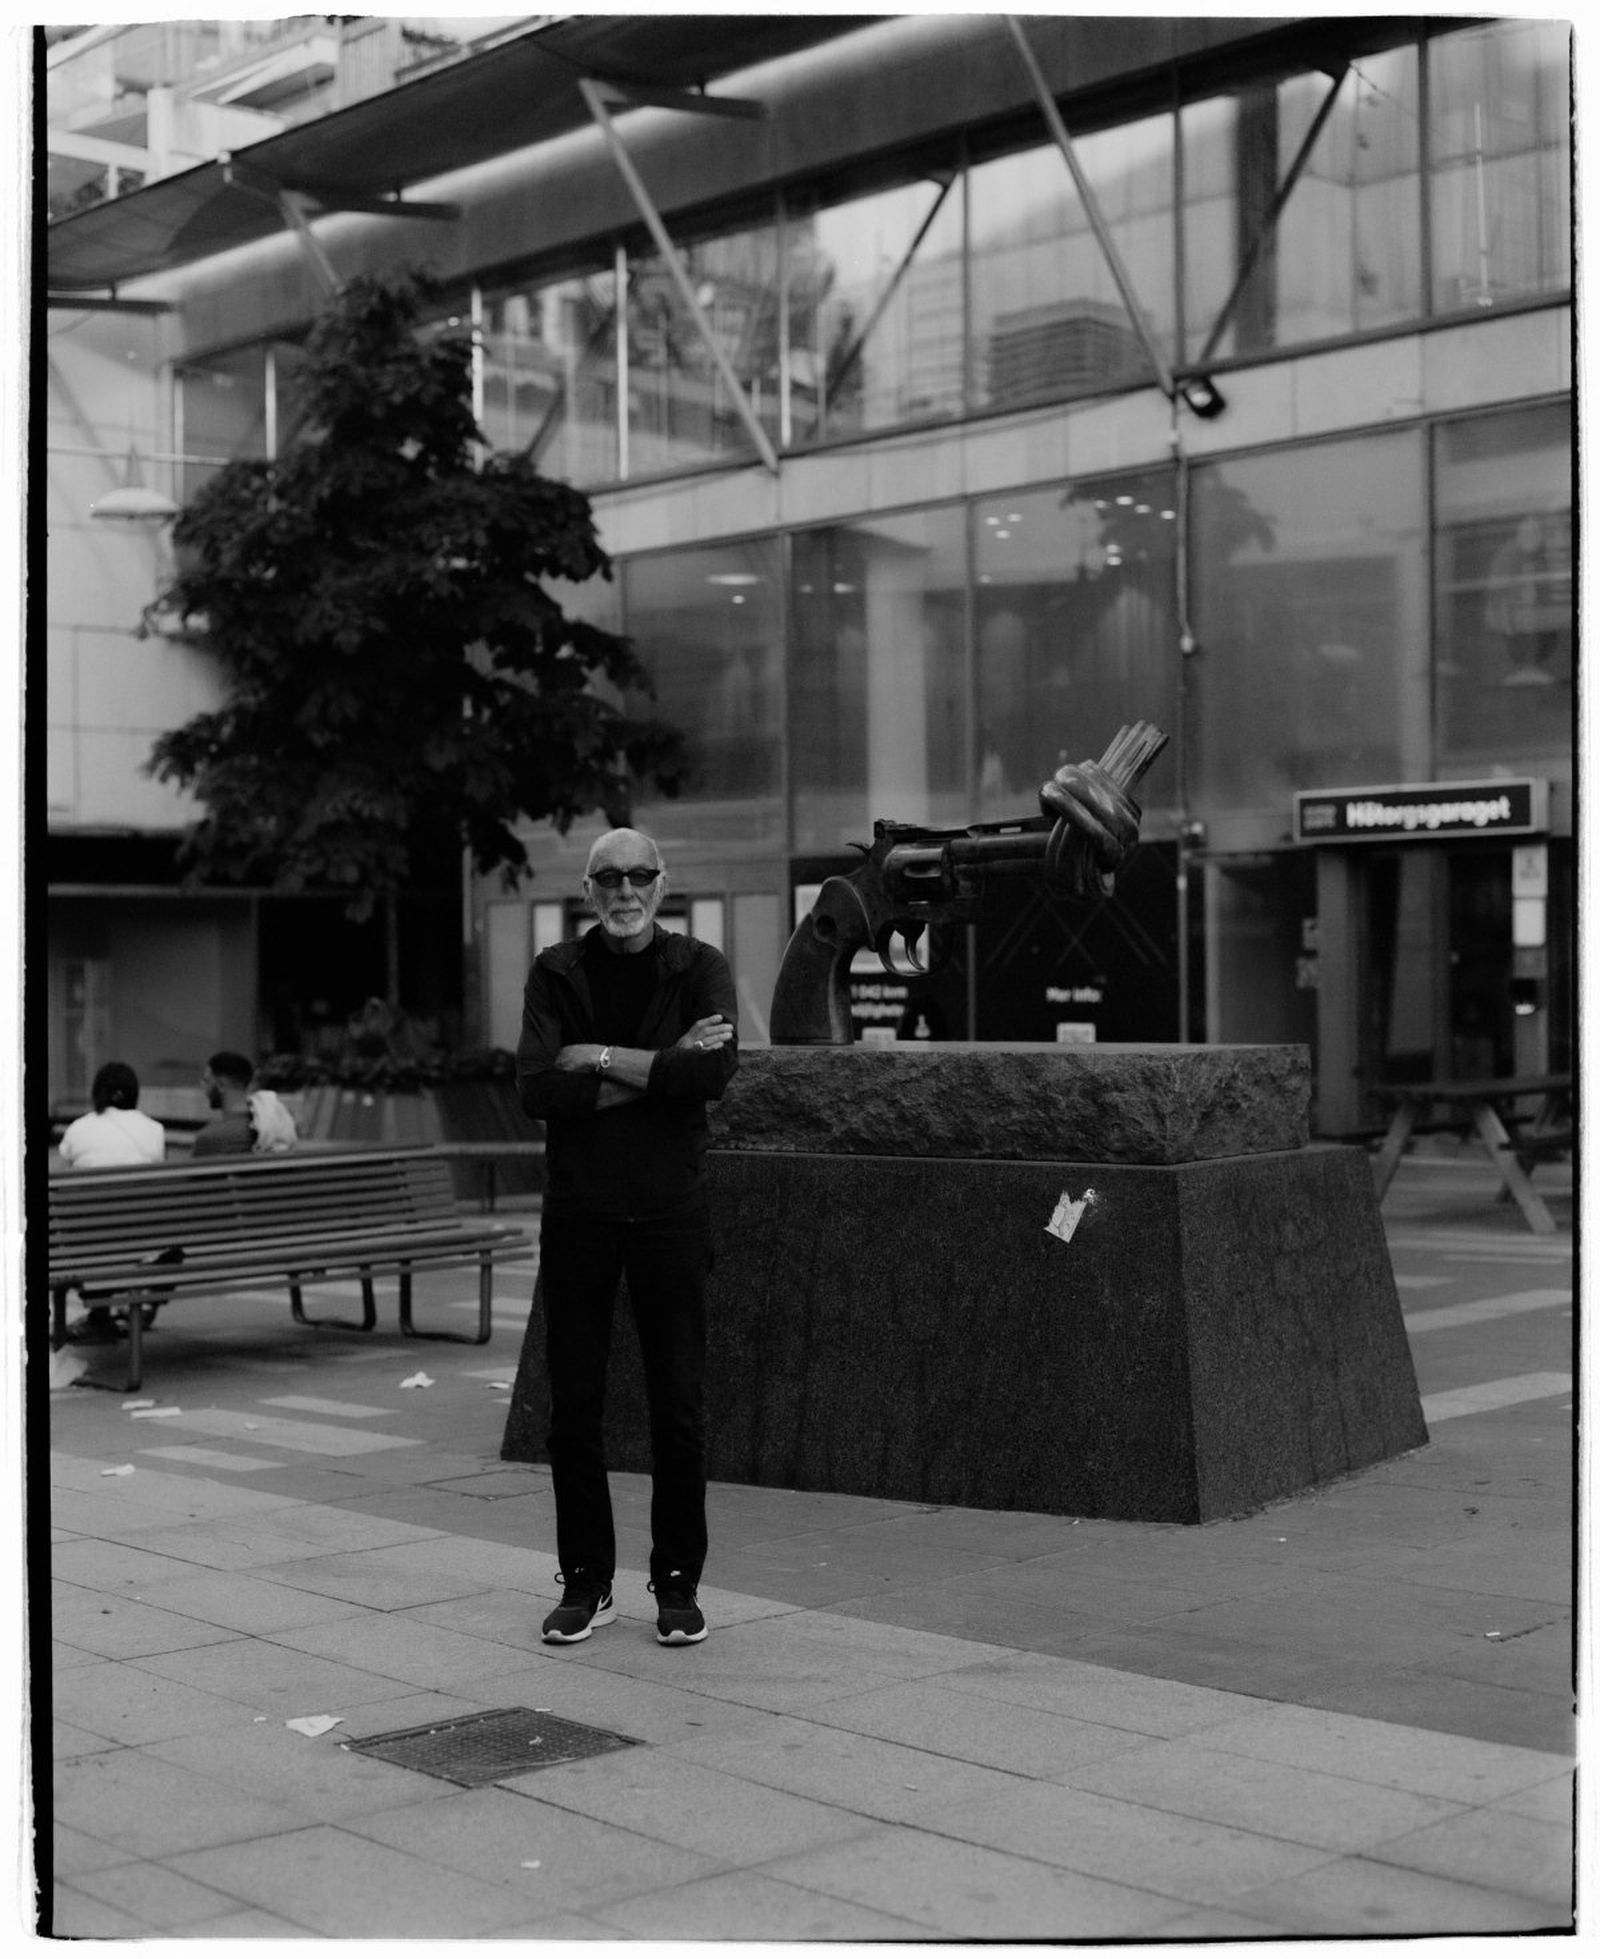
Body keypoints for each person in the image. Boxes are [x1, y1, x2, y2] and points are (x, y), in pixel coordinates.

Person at [517, 827, 738, 1647]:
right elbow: (539, 1089)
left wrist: (600, 1057)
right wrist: (659, 1065)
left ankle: (677, 1584)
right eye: (608, 877)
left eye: (640, 875)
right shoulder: (556, 971)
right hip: (580, 1212)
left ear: (662, 884)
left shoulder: (699, 966)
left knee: (678, 1407)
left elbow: (711, 1074)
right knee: (573, 1410)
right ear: (587, 890)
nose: (625, 890)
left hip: (670, 1211)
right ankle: (587, 1581)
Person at [57, 1062, 173, 1344]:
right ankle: (142, 1308)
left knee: (90, 1227)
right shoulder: (155, 1130)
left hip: (89, 1246)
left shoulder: (78, 1128)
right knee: (163, 1239)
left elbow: (64, 1170)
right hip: (143, 1243)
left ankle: (99, 1318)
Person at [193, 1051, 298, 1157]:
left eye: (206, 1081)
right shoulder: (274, 1128)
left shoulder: (210, 1138)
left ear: (221, 1085)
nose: (202, 1085)